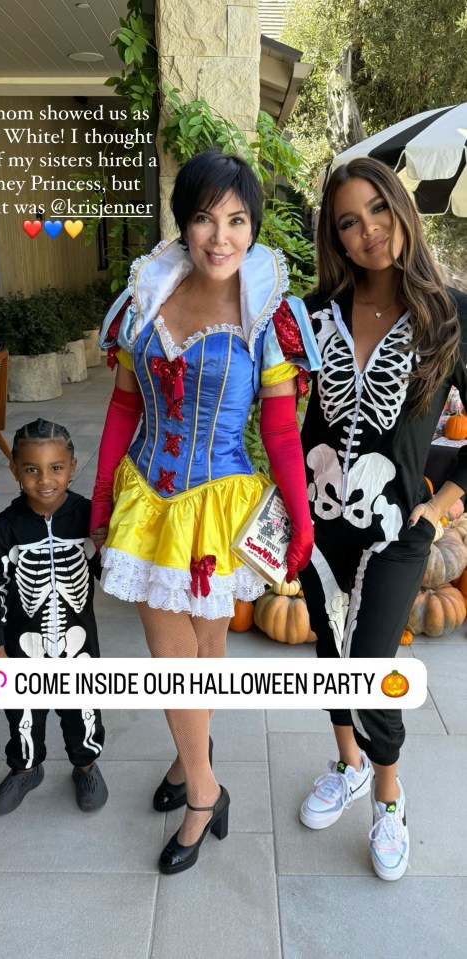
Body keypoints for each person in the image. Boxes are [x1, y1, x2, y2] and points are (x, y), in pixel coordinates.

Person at [91, 149, 321, 874]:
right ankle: (203, 785)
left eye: (236, 219)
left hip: (224, 507)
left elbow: (281, 429)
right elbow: (125, 405)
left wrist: (301, 519)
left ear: (251, 226)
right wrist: (100, 501)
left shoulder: (268, 310)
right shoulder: (143, 299)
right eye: (202, 218)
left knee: (205, 653)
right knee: (172, 665)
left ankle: (195, 769)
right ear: (183, 224)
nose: (220, 237)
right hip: (152, 505)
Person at [298, 157, 467, 881]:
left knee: (371, 665)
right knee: (329, 655)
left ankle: (388, 796)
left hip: (399, 528)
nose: (367, 231)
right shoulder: (313, 314)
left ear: (400, 208)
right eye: (347, 221)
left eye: (376, 210)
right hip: (317, 519)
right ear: (334, 237)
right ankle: (349, 763)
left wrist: (441, 504)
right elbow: (282, 409)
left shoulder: (450, 313)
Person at [0, 418, 108, 815]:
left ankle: (85, 764)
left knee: (82, 708)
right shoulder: (3, 528)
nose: (44, 479)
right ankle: (25, 768)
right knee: (22, 712)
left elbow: (109, 574)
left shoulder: (89, 516)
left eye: (56, 468)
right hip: (22, 644)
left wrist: (107, 546)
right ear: (15, 470)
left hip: (78, 643)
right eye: (31, 469)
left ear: (72, 466)